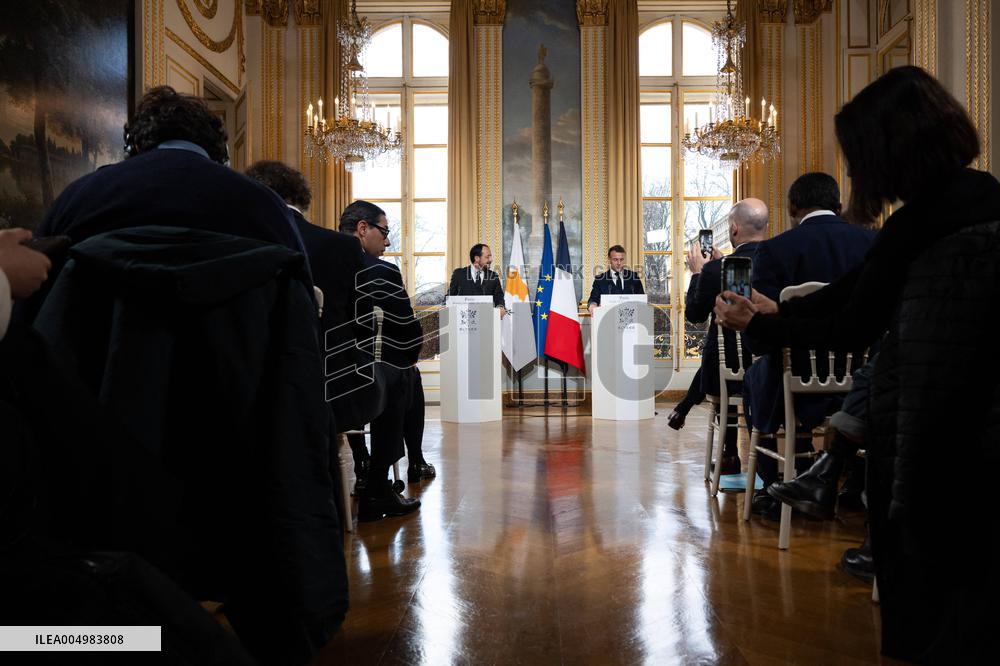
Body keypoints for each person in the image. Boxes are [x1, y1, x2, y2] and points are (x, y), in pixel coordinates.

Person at [714, 66, 999, 663]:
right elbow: (851, 291)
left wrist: (759, 323)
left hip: (934, 425)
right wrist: (775, 310)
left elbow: (850, 324)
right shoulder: (980, 197)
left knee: (935, 602)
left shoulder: (917, 221)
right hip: (980, 413)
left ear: (888, 150)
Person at [740, 173, 874, 517]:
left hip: (793, 374)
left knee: (757, 375)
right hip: (861, 377)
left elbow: (761, 334)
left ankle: (774, 487)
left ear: (793, 207)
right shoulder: (871, 243)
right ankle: (854, 482)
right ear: (839, 206)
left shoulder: (776, 249)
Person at [36, 87, 305, 257]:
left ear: (135, 144)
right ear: (220, 152)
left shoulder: (79, 197)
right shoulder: (265, 206)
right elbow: (300, 306)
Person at [340, 201, 429, 520]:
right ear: (363, 229)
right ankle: (379, 484)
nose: (388, 241)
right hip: (353, 384)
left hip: (302, 379)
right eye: (385, 231)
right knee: (402, 374)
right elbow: (408, 335)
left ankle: (362, 463)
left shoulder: (311, 256)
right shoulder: (379, 270)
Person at [684, 199, 769, 473]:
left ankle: (729, 452)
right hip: (778, 365)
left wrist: (699, 273)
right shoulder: (783, 259)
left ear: (733, 230)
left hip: (734, 372)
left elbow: (695, 315)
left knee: (722, 348)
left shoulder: (714, 270)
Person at [448, 243, 507, 316]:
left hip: (486, 320)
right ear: (476, 258)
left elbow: (499, 297)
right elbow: (450, 297)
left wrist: (500, 306)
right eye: (487, 257)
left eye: (490, 256)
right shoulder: (459, 274)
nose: (491, 260)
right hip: (463, 321)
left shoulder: (493, 276)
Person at [587, 245, 644, 313]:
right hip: (608, 319)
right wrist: (592, 305)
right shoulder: (600, 279)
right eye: (615, 259)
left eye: (621, 259)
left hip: (631, 319)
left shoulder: (634, 277)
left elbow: (642, 299)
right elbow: (593, 299)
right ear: (609, 259)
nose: (619, 263)